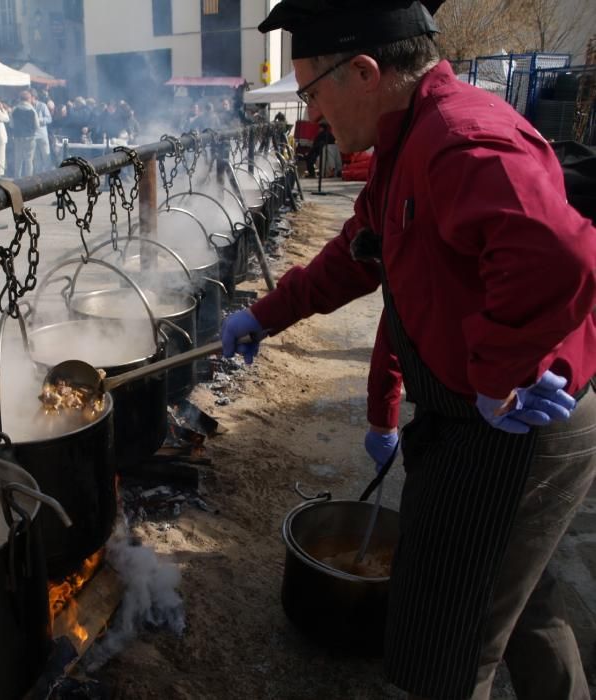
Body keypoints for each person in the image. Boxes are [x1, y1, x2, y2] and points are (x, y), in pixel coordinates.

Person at [221, 2, 596, 699]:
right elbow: (355, 256)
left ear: (363, 71)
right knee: (523, 603)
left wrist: (499, 373)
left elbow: (559, 254)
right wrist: (262, 316)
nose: (310, 116)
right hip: (481, 422)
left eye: (311, 92)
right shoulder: (404, 147)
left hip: (519, 426)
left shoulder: (458, 138)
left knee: (449, 647)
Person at [9, 90, 39, 178]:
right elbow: (37, 126)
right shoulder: (33, 110)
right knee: (29, 160)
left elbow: (11, 125)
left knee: (18, 159)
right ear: (29, 99)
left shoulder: (15, 110)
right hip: (30, 137)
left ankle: (17, 178)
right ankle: (28, 179)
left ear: (20, 99)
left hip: (18, 137)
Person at [32, 89, 53, 172]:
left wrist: (39, 120)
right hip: (33, 136)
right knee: (36, 159)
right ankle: (39, 177)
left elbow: (49, 119)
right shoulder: (28, 107)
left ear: (34, 97)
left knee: (46, 156)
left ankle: (49, 175)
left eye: (30, 98)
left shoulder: (42, 105)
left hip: (42, 135)